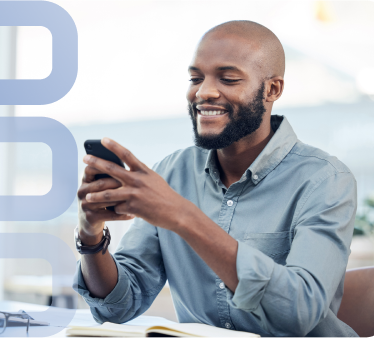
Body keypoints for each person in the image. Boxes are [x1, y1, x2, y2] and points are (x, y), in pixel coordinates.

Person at [73, 20, 358, 337]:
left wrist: (182, 216)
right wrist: (91, 235)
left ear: (272, 89)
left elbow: (298, 315)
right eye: (196, 78)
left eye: (229, 78)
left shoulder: (326, 180)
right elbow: (119, 305)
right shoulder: (171, 172)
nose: (203, 92)